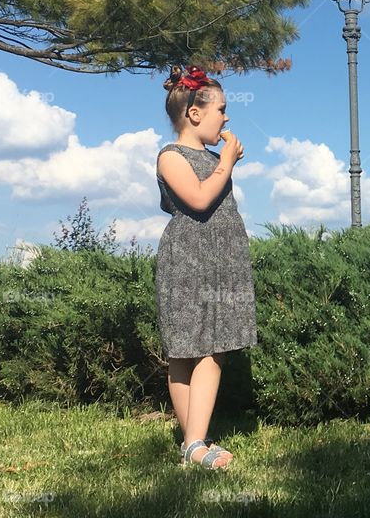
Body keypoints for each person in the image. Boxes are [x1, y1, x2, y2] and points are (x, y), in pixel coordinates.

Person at [155, 65, 257, 470]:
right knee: (190, 350)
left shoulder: (214, 157)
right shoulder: (170, 156)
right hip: (188, 261)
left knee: (211, 345)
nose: (227, 117)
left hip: (221, 259)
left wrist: (224, 160)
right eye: (222, 109)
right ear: (195, 114)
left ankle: (193, 443)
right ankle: (196, 443)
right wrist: (227, 162)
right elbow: (197, 200)